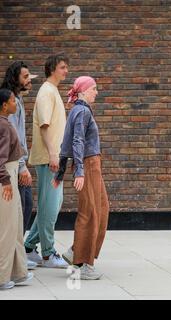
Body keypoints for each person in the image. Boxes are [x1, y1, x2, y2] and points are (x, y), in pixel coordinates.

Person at [53, 76, 109, 280]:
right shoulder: (82, 111)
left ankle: (75, 251)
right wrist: (79, 172)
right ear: (84, 91)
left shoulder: (78, 110)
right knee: (91, 213)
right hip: (88, 164)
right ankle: (84, 264)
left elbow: (66, 142)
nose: (97, 92)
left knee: (102, 208)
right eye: (94, 88)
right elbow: (76, 141)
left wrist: (61, 172)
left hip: (91, 164)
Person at [24, 53, 70, 268]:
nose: (66, 71)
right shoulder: (46, 92)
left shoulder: (52, 91)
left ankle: (29, 246)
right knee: (50, 206)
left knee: (49, 204)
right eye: (62, 67)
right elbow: (44, 125)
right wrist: (53, 155)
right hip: (48, 158)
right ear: (52, 69)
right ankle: (48, 253)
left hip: (53, 157)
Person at [1, 61, 39, 270]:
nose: (29, 80)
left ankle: (17, 254)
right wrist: (22, 166)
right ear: (15, 78)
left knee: (24, 205)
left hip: (19, 161)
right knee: (22, 206)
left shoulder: (19, 100)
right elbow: (13, 135)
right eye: (25, 77)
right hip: (13, 164)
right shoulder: (10, 101)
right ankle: (15, 254)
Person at [0, 88, 34, 290]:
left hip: (10, 175)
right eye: (13, 101)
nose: (16, 103)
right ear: (4, 105)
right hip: (6, 179)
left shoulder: (6, 123)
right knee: (6, 229)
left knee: (16, 225)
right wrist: (5, 182)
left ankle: (18, 271)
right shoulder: (3, 126)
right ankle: (2, 276)